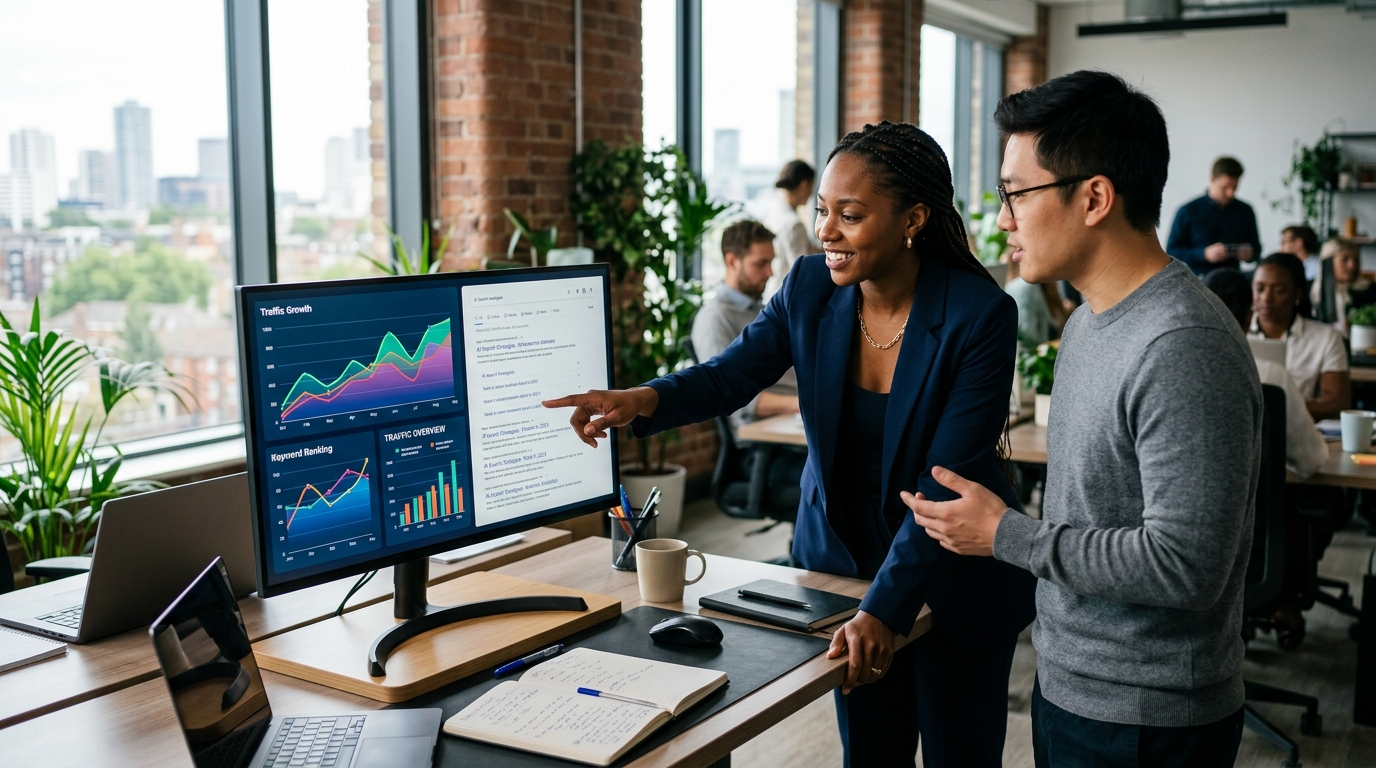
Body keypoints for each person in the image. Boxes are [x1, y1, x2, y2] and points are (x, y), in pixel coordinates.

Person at [543, 121, 1036, 767]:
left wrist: (885, 610)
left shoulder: (978, 314)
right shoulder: (808, 288)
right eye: (822, 211)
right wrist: (644, 400)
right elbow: (731, 374)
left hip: (950, 579)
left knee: (960, 757)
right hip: (842, 568)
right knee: (871, 755)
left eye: (850, 215)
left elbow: (945, 483)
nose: (826, 231)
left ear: (913, 218)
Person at [905, 71, 1260, 766]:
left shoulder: (1182, 344)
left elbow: (1186, 566)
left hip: (1147, 717)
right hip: (1071, 685)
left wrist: (1008, 536)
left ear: (1094, 196)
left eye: (1015, 193)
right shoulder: (1091, 324)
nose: (1002, 218)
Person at [1204, 268, 1328, 478]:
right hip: (1255, 508)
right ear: (1248, 318)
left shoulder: (1166, 372)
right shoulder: (1272, 376)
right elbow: (1311, 461)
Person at [690, 219, 799, 430]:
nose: (770, 273)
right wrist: (802, 404)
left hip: (793, 424)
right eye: (760, 264)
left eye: (771, 262)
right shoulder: (715, 318)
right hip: (764, 443)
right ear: (732, 261)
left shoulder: (764, 312)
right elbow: (727, 394)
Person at [1249, 252, 1351, 419]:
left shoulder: (1326, 337)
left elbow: (1337, 402)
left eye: (1279, 291)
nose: (1266, 298)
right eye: (1259, 289)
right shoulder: (1236, 332)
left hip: (1302, 432)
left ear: (1297, 294)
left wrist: (1279, 409)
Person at [1166, 155, 1262, 276]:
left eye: (1235, 187)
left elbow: (1257, 249)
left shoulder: (1245, 210)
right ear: (1212, 180)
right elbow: (1172, 251)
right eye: (1225, 187)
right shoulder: (1187, 211)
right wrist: (1203, 254)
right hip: (1197, 281)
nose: (1230, 193)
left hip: (1233, 280)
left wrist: (1249, 254)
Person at [751, 159, 823, 298]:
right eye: (812, 187)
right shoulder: (793, 224)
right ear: (804, 184)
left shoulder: (771, 213)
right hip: (786, 296)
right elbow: (804, 269)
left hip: (771, 292)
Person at [1311, 237, 1376, 334]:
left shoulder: (1370, 290)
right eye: (1345, 259)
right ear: (1327, 262)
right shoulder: (1311, 291)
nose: (1352, 265)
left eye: (1356, 260)